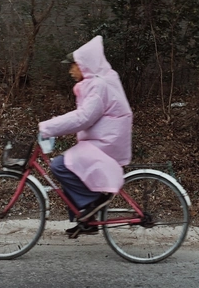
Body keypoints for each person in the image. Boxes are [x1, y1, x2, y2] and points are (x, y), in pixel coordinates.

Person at [38, 35, 132, 239]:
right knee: (70, 166)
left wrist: (49, 127)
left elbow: (84, 118)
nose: (70, 70)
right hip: (104, 139)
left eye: (73, 66)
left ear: (83, 65)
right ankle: (86, 220)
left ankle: (92, 203)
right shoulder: (97, 82)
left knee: (60, 165)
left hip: (107, 143)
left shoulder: (98, 85)